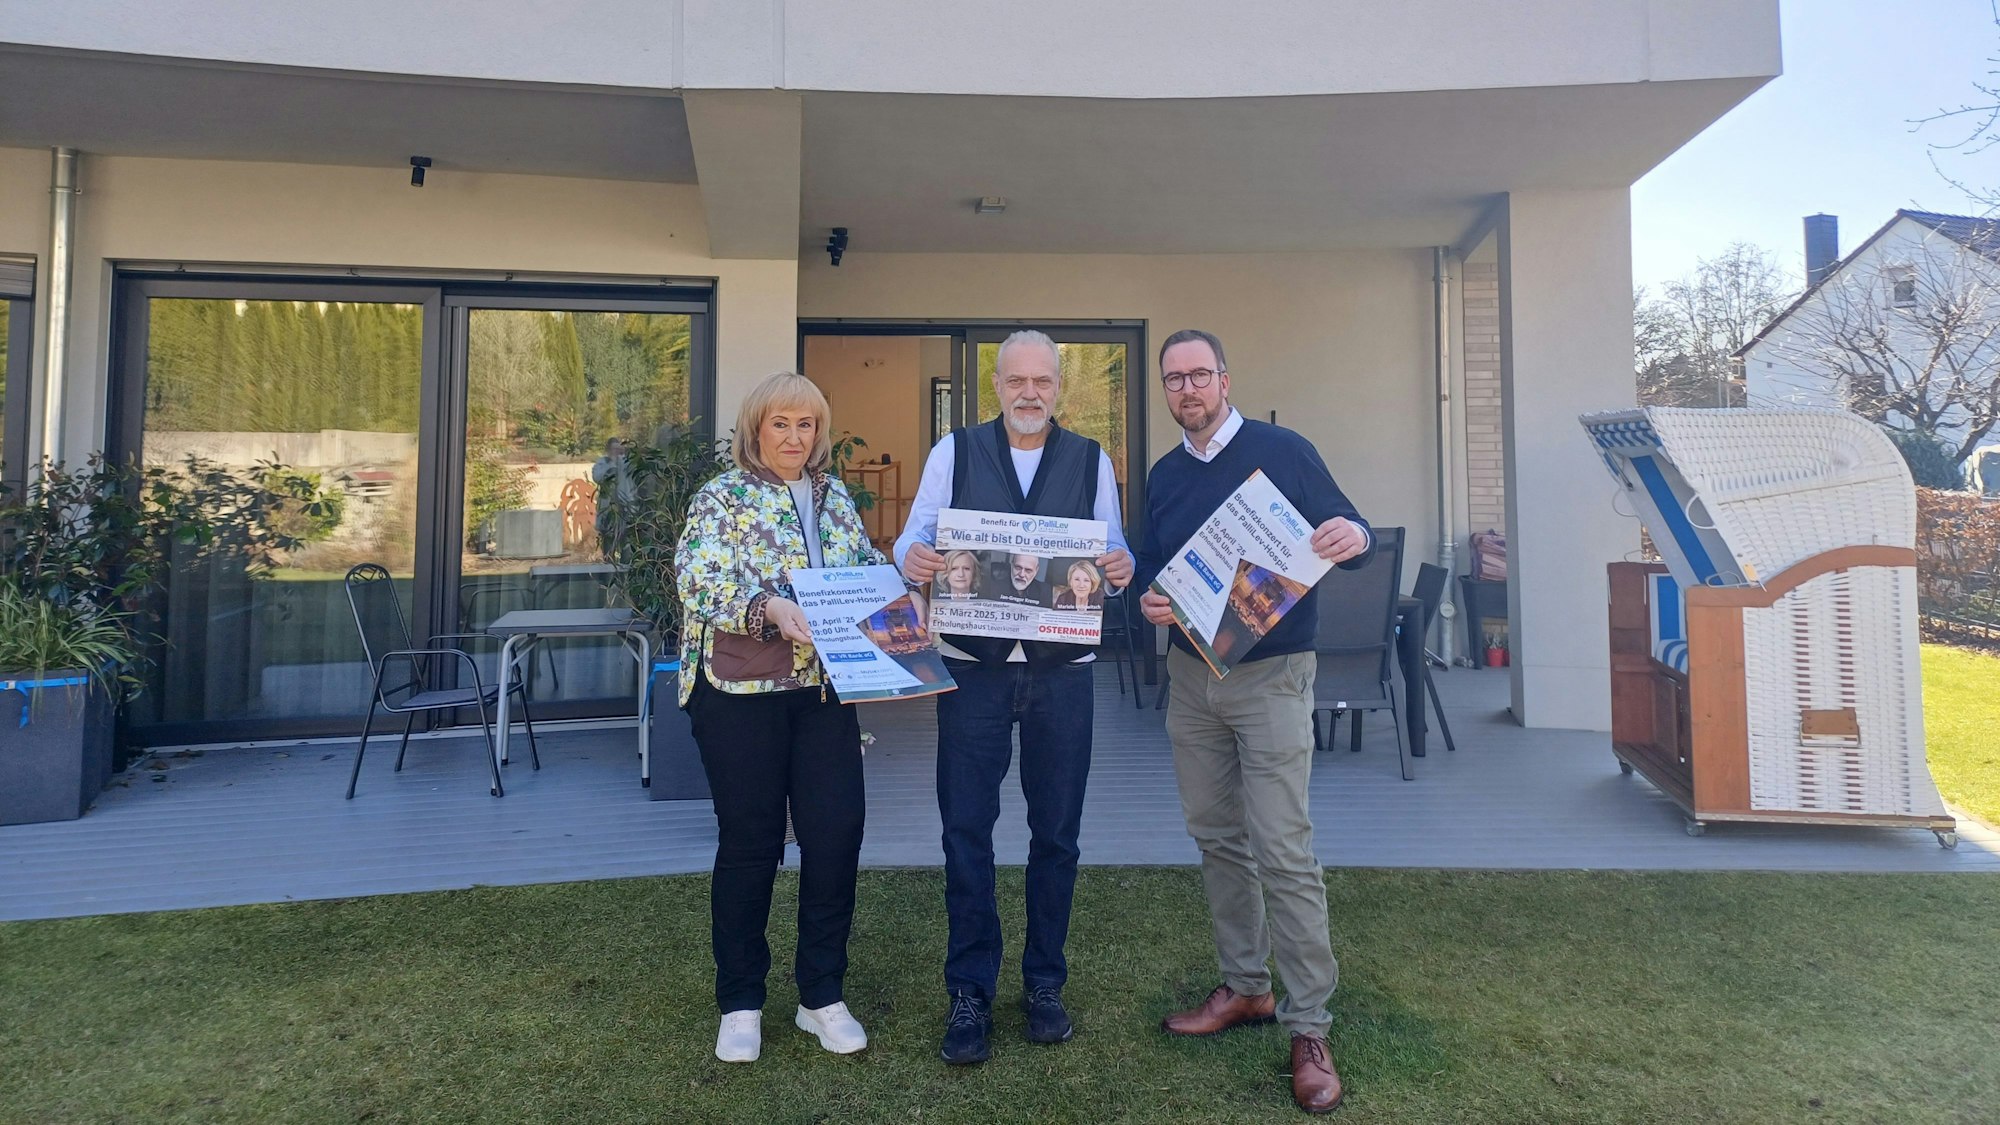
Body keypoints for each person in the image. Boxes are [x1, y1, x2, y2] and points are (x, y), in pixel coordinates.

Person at [1134, 329, 1374, 1115]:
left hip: (1271, 679)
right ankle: (1245, 987)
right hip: (1190, 676)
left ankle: (1310, 1026)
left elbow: (1346, 528)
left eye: (1199, 375)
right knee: (1215, 835)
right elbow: (1146, 570)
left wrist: (1356, 536)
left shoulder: (1284, 449)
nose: (1188, 390)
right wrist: (1148, 599)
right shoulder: (1165, 475)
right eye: (1174, 379)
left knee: (1283, 847)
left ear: (1225, 380)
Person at [895, 329, 1133, 1065]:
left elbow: (1113, 554)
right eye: (1017, 381)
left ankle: (1043, 983)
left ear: (1059, 388)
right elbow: (909, 543)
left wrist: (1121, 566)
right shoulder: (953, 452)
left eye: (1044, 382)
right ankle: (969, 990)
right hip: (975, 669)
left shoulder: (1091, 459)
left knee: (1056, 833)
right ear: (994, 385)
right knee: (966, 829)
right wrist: (918, 557)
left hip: (1063, 673)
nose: (1030, 393)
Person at [674, 371, 910, 1065]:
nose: (794, 437)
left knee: (836, 836)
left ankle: (820, 996)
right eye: (781, 423)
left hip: (823, 696)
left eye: (806, 425)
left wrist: (902, 594)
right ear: (756, 429)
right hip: (739, 694)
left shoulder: (834, 497)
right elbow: (699, 578)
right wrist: (770, 609)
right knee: (750, 843)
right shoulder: (722, 496)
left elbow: (861, 568)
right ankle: (741, 1001)